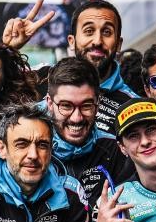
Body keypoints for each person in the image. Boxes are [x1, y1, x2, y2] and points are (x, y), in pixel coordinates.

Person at [45, 57, 133, 209]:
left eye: (86, 106)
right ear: (49, 103)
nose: (76, 118)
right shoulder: (32, 152)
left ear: (97, 104)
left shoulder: (116, 151)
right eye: (66, 106)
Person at [68, 0, 137, 133]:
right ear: (72, 41)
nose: (97, 41)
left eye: (106, 32)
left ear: (118, 44)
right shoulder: (44, 82)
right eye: (89, 31)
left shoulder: (134, 106)